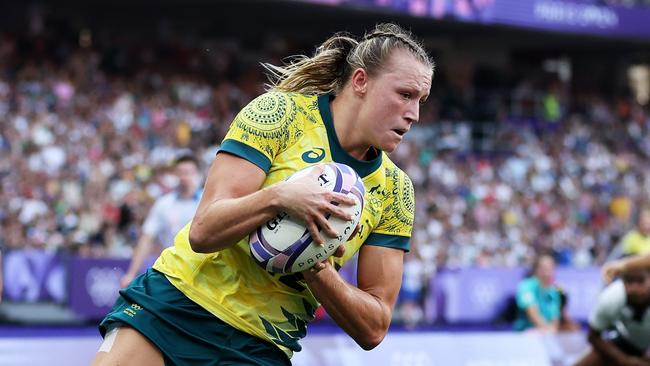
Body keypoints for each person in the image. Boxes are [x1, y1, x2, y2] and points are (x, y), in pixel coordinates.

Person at [93, 23, 433, 366]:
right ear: (360, 81)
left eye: (421, 100)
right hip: (176, 305)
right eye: (404, 94)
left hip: (260, 348)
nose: (414, 114)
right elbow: (203, 231)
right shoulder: (278, 114)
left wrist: (317, 266)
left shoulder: (397, 192)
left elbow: (374, 328)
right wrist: (281, 197)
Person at [119, 154, 203, 288]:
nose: (184, 177)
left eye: (188, 173)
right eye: (180, 173)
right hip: (170, 274)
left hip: (202, 274)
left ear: (198, 175)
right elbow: (146, 238)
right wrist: (131, 273)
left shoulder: (206, 202)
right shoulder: (164, 204)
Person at [574, 268, 650, 366]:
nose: (635, 288)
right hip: (626, 341)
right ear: (622, 281)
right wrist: (624, 360)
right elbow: (593, 336)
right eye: (629, 281)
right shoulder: (611, 298)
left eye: (640, 281)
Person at [513, 253, 562, 332]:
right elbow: (532, 312)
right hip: (526, 335)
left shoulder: (554, 291)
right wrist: (547, 330)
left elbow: (555, 318)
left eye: (551, 268)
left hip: (547, 336)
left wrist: (552, 330)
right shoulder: (527, 286)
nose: (548, 272)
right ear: (536, 269)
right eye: (544, 268)